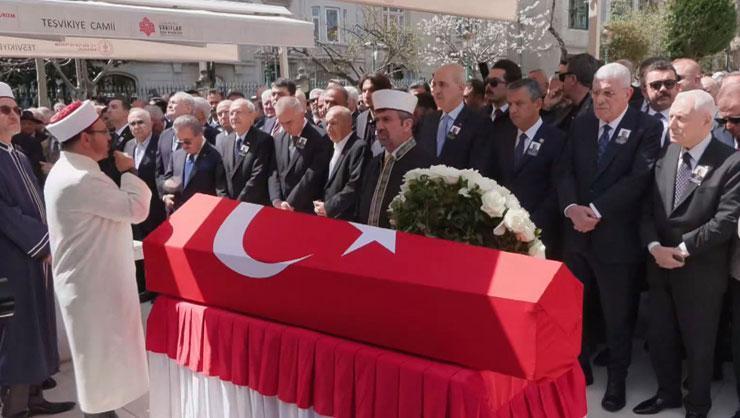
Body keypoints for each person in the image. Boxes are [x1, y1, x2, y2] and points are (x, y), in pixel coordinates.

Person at [557, 63, 662, 411]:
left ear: (628, 94)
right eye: (596, 92)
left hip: (617, 240)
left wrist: (595, 211)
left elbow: (639, 178)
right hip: (577, 236)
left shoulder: (646, 127)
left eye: (608, 93)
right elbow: (565, 169)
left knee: (618, 316)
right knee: (576, 308)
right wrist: (572, 208)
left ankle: (617, 380)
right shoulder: (583, 123)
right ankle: (580, 366)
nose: (600, 100)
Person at [635, 90, 740, 418]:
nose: (672, 124)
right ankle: (667, 394)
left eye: (681, 118)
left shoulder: (730, 162)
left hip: (700, 271)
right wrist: (654, 247)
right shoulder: (668, 153)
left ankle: (697, 405)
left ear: (707, 121)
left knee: (699, 344)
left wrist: (681, 250)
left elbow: (725, 220)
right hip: (659, 264)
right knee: (661, 337)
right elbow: (648, 209)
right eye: (671, 117)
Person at [44, 100, 151, 417]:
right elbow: (136, 209)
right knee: (100, 375)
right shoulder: (82, 178)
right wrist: (129, 171)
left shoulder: (71, 169)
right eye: (105, 132)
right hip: (93, 290)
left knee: (102, 373)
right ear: (85, 138)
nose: (110, 138)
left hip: (92, 285)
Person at [0, 83, 75, 418]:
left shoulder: (17, 154)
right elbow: (5, 213)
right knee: (18, 332)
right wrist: (42, 244)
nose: (14, 115)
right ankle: (14, 407)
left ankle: (35, 397)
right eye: (5, 110)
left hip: (34, 256)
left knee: (38, 323)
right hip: (11, 259)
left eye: (16, 109)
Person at [490, 78, 566, 259]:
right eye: (510, 104)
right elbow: (494, 177)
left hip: (540, 234)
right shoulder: (501, 136)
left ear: (538, 103)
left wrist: (529, 225)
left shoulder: (557, 139)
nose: (513, 110)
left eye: (519, 103)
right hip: (503, 230)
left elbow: (557, 189)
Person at [357, 89, 437, 228]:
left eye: (386, 120)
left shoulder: (426, 166)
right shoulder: (374, 163)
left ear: (407, 124)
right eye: (377, 120)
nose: (379, 127)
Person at [416, 63, 490, 173]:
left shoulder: (479, 123)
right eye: (434, 85)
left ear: (461, 88)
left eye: (442, 84)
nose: (437, 90)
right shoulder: (428, 121)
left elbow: (478, 167)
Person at [268, 96, 332, 214]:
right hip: (281, 208)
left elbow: (312, 175)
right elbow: (273, 171)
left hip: (306, 209)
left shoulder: (320, 138)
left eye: (289, 122)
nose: (286, 127)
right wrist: (276, 200)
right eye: (281, 123)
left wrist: (290, 203)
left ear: (301, 114)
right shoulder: (279, 138)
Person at [314, 106, 368, 220]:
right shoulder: (330, 145)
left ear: (348, 124)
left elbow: (354, 186)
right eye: (327, 123)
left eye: (333, 123)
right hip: (325, 215)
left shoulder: (359, 147)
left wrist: (329, 207)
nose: (328, 128)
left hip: (346, 218)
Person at [215, 98, 273, 204]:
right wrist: (224, 198)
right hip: (228, 203)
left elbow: (258, 176)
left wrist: (238, 203)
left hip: (252, 204)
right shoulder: (225, 141)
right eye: (231, 113)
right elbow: (220, 174)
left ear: (251, 115)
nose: (234, 117)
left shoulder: (263, 140)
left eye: (238, 112)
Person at [162, 115, 224, 211]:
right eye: (180, 142)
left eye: (187, 142)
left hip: (203, 212)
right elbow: (168, 178)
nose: (183, 146)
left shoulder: (216, 156)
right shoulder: (176, 155)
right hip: (177, 212)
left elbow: (220, 190)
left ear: (200, 135)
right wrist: (166, 196)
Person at [123, 107, 166, 240]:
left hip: (156, 207)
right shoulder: (128, 145)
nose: (136, 127)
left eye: (140, 122)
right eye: (132, 124)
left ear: (151, 123)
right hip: (135, 207)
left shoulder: (161, 143)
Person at [556, 53, 600, 132]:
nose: (561, 82)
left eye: (562, 77)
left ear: (573, 79)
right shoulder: (566, 107)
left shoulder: (592, 115)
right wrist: (546, 108)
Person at [642, 60, 681, 149]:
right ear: (644, 91)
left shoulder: (688, 119)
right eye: (656, 85)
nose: (663, 89)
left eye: (669, 84)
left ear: (678, 88)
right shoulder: (633, 118)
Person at [156, 92, 194, 179]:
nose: (169, 106)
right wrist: (163, 185)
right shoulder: (164, 135)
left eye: (173, 103)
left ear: (188, 108)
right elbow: (159, 170)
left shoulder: (201, 133)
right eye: (169, 103)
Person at [356, 73, 394, 157]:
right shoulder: (361, 119)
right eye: (364, 91)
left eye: (372, 90)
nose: (367, 95)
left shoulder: (394, 119)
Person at [483, 59, 522, 125]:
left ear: (511, 86)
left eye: (494, 82)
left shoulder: (521, 119)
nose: (488, 86)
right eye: (487, 81)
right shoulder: (479, 115)